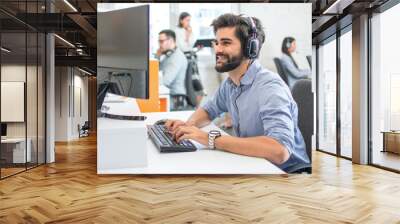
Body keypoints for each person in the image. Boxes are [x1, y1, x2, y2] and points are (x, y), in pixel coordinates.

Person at [164, 14, 310, 173]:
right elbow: (208, 110)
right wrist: (187, 126)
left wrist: (208, 138)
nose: (218, 50)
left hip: (287, 173)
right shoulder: (230, 84)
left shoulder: (270, 88)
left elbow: (279, 150)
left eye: (226, 43)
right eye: (217, 42)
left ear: (250, 48)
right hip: (255, 165)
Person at [175, 12, 205, 106]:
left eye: (190, 20)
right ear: (181, 20)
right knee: (188, 85)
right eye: (187, 20)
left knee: (197, 87)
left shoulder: (189, 30)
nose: (189, 22)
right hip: (184, 61)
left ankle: (196, 108)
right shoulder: (177, 31)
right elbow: (183, 47)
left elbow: (191, 45)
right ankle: (191, 106)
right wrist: (187, 35)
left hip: (192, 60)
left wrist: (189, 34)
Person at [156, 29, 188, 110]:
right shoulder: (168, 56)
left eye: (161, 41)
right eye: (159, 41)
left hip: (175, 99)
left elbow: (165, 81)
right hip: (167, 95)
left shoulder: (176, 57)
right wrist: (157, 57)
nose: (159, 44)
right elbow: (156, 72)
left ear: (170, 40)